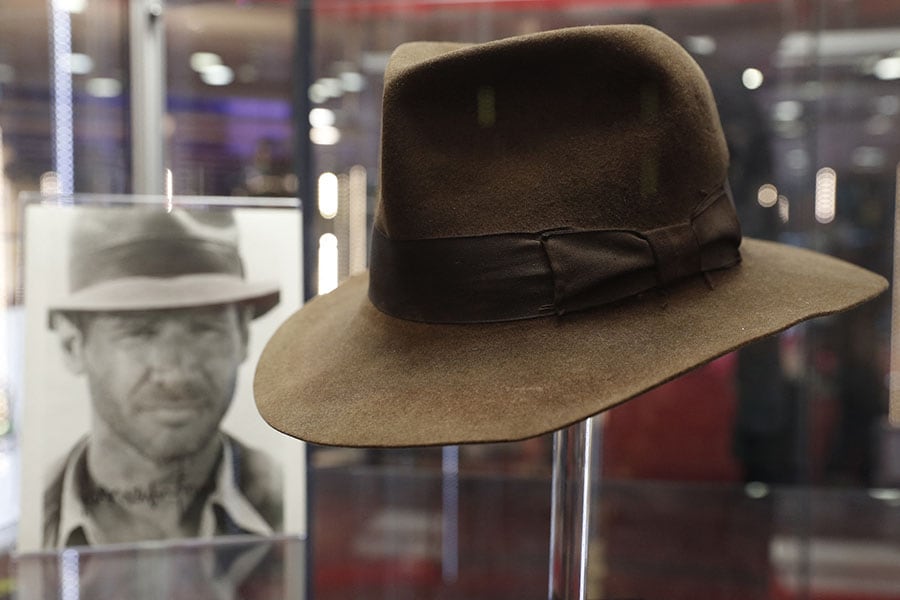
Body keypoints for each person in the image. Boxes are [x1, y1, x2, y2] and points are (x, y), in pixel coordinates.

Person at [42, 206, 283, 548]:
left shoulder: (289, 499)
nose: (175, 375)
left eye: (204, 329)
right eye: (139, 332)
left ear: (243, 337)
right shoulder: (28, 515)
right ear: (72, 346)